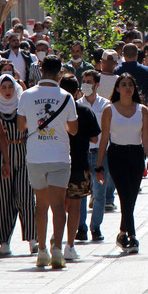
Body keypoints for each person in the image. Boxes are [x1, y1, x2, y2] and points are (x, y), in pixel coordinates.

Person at [17, 55, 78, 269]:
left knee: (40, 205)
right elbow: (74, 129)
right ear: (60, 71)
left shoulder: (26, 95)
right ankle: (58, 249)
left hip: (36, 156)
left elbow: (21, 126)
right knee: (59, 206)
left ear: (41, 70)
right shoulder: (67, 97)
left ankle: (41, 250)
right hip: (60, 155)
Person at [96, 74, 148, 254]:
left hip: (136, 155)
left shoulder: (142, 110)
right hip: (116, 155)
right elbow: (104, 139)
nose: (127, 88)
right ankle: (132, 236)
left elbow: (146, 138)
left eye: (130, 84)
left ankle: (122, 233)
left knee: (131, 198)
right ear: (118, 88)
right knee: (124, 195)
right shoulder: (109, 110)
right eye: (123, 85)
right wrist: (99, 166)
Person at [0, 73, 37, 256]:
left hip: (23, 153)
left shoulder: (23, 107)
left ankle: (33, 239)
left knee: (26, 196)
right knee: (3, 199)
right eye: (4, 88)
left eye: (11, 87)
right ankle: (4, 241)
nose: (8, 91)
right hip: (1, 155)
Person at [59, 75, 100, 261]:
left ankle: (55, 239)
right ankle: (70, 244)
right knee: (75, 205)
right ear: (77, 91)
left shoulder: (53, 108)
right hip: (79, 163)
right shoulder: (84, 109)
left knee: (58, 204)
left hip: (57, 162)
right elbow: (94, 139)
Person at [77, 69, 114, 241]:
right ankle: (81, 227)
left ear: (97, 84)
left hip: (102, 155)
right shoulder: (76, 104)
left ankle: (96, 227)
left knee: (99, 193)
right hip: (82, 154)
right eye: (83, 81)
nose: (85, 84)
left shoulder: (106, 105)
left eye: (89, 81)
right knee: (82, 193)